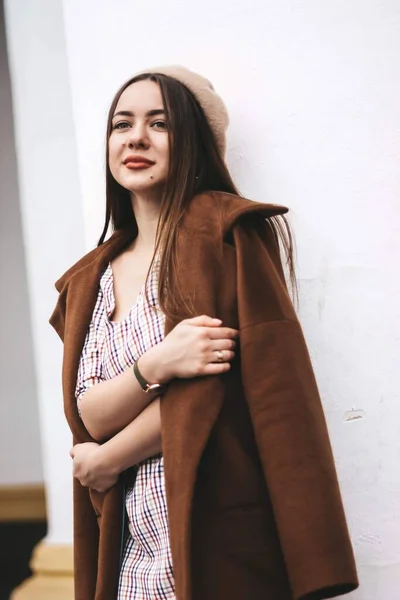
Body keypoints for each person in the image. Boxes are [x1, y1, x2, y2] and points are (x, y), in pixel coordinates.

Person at [50, 66, 359, 600]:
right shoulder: (91, 279)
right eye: (122, 124)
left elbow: (240, 387)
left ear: (194, 142)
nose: (136, 138)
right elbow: (89, 413)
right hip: (130, 559)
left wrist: (109, 458)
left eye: (160, 124)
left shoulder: (225, 240)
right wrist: (157, 365)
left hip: (213, 543)